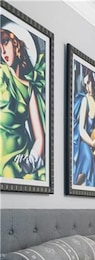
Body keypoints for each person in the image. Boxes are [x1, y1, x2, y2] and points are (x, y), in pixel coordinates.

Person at [0, 24, 46, 181]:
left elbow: (39, 137)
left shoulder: (30, 88)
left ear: (16, 43)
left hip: (23, 159)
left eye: (5, 42)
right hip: (4, 159)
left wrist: (31, 159)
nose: (2, 50)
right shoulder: (1, 74)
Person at [72, 67, 95, 187]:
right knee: (88, 162)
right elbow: (81, 129)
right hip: (85, 142)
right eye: (85, 84)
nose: (87, 87)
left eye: (88, 83)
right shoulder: (85, 100)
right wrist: (91, 143)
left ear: (94, 81)